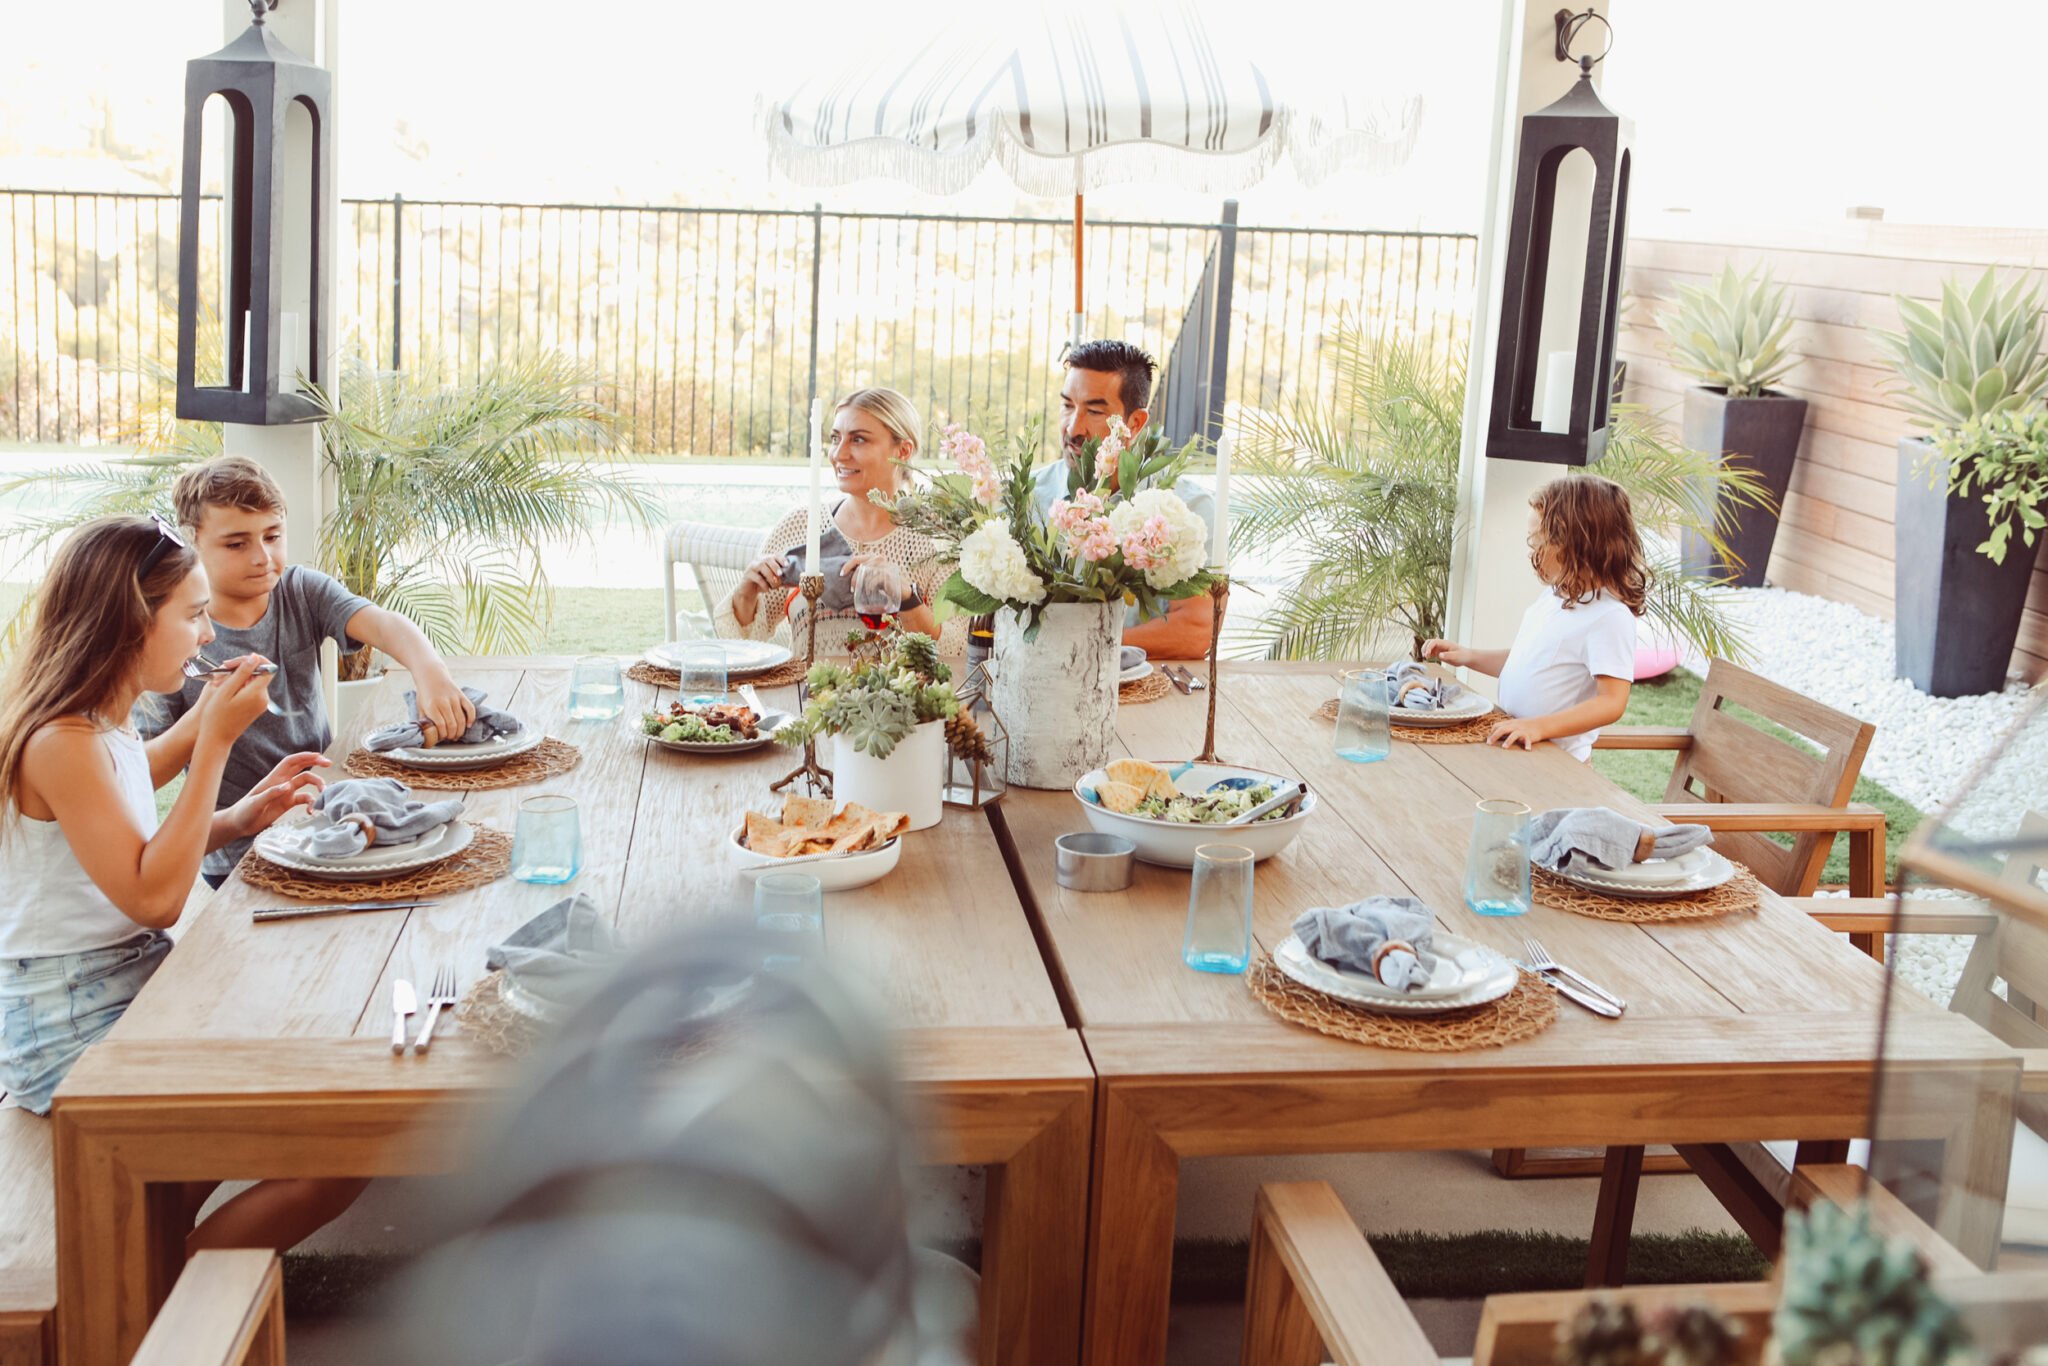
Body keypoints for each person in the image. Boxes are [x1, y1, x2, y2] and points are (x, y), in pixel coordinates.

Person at [0, 515, 366, 1248]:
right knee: (333, 1151)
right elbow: (155, 895)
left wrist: (236, 815)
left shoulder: (98, 718)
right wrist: (218, 739)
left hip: (127, 982)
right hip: (72, 1022)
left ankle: (159, 1281)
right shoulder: (59, 742)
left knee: (311, 1103)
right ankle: (177, 1311)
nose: (209, 636)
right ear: (129, 622)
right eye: (195, 616)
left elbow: (139, 782)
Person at [140, 456, 475, 887]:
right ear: (192, 542)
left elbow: (384, 623)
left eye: (273, 536)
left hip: (327, 814)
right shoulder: (177, 637)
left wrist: (430, 671)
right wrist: (207, 722)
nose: (263, 557)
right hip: (237, 850)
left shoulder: (300, 590)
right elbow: (141, 771)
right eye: (236, 544)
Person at [718, 387, 961, 653]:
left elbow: (958, 649)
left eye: (858, 440)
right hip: (806, 694)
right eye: (836, 439)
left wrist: (905, 597)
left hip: (904, 694)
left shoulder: (937, 542)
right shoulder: (801, 525)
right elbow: (741, 641)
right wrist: (747, 592)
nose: (838, 454)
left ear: (903, 451)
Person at [1421, 475, 1644, 760]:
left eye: (1537, 541)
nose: (1531, 550)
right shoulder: (1556, 597)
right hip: (1521, 743)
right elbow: (1529, 662)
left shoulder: (1609, 616)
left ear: (1576, 544)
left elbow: (1611, 701)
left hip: (1556, 760)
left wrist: (1539, 727)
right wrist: (1469, 656)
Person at [1030, 340, 1217, 659]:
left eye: (1094, 410)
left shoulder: (1188, 507)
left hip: (1149, 693)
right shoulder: (1031, 495)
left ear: (1135, 423)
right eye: (1067, 406)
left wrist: (1087, 646)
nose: (1073, 427)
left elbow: (1196, 630)